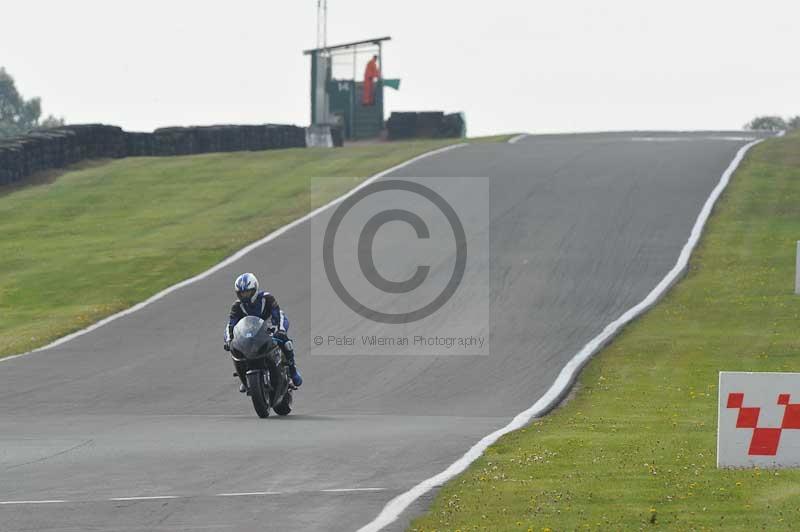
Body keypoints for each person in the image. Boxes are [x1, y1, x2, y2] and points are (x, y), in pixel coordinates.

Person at [223, 272, 303, 390]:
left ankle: (293, 371)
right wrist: (229, 340)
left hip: (271, 323)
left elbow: (277, 314)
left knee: (285, 341)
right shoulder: (237, 306)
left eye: (248, 292)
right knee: (236, 349)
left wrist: (280, 330)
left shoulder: (267, 298)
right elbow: (231, 324)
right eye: (242, 293)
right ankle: (244, 377)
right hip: (251, 330)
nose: (245, 296)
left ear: (255, 289)